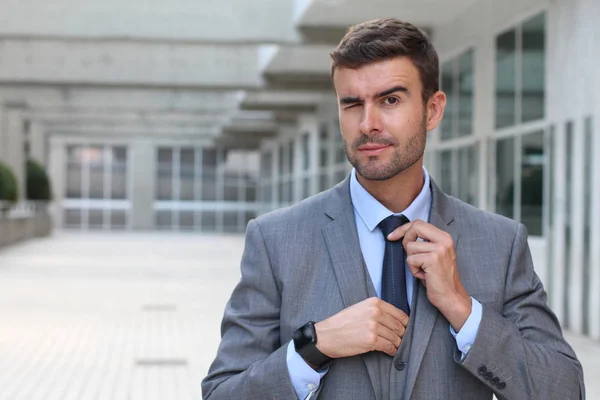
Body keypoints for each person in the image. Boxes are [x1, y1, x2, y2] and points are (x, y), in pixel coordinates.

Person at [202, 18, 585, 400]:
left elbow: (565, 391)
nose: (367, 124)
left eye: (390, 100)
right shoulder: (276, 240)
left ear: (433, 110)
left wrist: (463, 309)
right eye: (352, 104)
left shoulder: (500, 244)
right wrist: (312, 346)